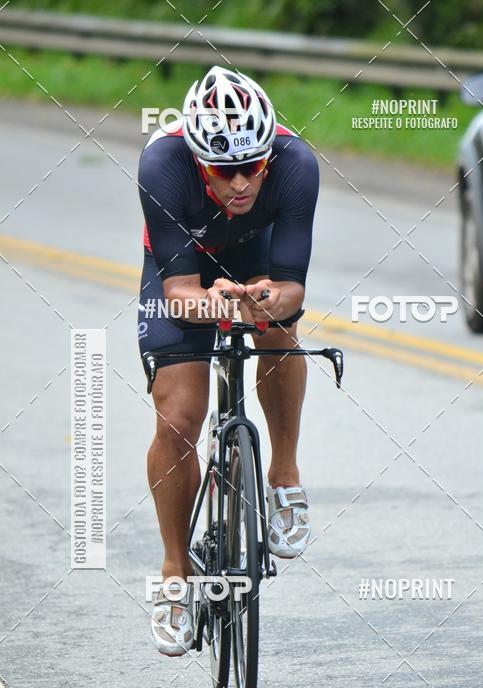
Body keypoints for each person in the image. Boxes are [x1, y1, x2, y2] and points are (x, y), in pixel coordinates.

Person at [137, 65, 319, 656]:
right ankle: (173, 574)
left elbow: (292, 286)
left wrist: (264, 300)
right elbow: (177, 293)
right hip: (183, 272)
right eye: (224, 170)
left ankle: (284, 477)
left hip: (257, 260)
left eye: (252, 167)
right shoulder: (162, 165)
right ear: (197, 159)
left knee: (278, 329)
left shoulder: (296, 166)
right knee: (180, 417)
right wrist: (210, 299)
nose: (241, 183)